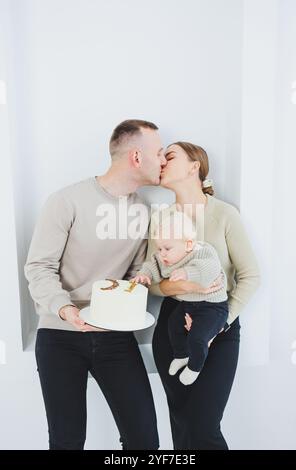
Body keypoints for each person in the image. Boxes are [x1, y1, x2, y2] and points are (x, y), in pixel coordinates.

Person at [24, 119, 166, 450]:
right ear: (135, 157)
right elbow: (39, 267)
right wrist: (68, 310)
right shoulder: (66, 201)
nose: (162, 161)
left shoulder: (142, 211)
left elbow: (134, 272)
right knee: (67, 441)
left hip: (115, 337)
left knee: (144, 442)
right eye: (158, 153)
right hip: (60, 335)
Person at [147, 141, 260, 449]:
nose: (161, 162)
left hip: (219, 324)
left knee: (203, 428)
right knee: (182, 424)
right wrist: (175, 287)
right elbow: (153, 280)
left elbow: (251, 276)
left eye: (169, 156)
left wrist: (217, 327)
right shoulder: (160, 219)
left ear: (194, 166)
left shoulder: (224, 214)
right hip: (173, 328)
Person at [132, 211, 228, 385]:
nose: (162, 254)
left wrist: (186, 272)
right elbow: (151, 264)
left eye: (167, 248)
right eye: (160, 248)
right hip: (190, 303)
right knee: (173, 326)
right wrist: (144, 274)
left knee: (197, 338)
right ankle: (181, 355)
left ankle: (194, 367)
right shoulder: (164, 258)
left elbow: (210, 269)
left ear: (189, 244)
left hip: (213, 307)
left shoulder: (202, 251)